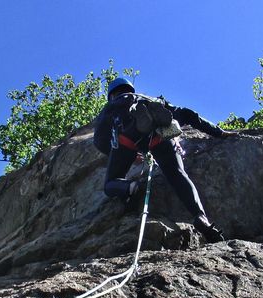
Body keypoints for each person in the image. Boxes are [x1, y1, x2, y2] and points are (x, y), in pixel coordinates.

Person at [93, 77, 229, 243]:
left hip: (127, 141)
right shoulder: (146, 98)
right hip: (160, 137)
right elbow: (188, 114)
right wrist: (219, 132)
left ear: (112, 95)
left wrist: (116, 153)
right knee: (177, 174)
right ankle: (201, 218)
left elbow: (99, 140)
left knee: (110, 184)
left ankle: (129, 187)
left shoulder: (111, 107)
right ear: (130, 89)